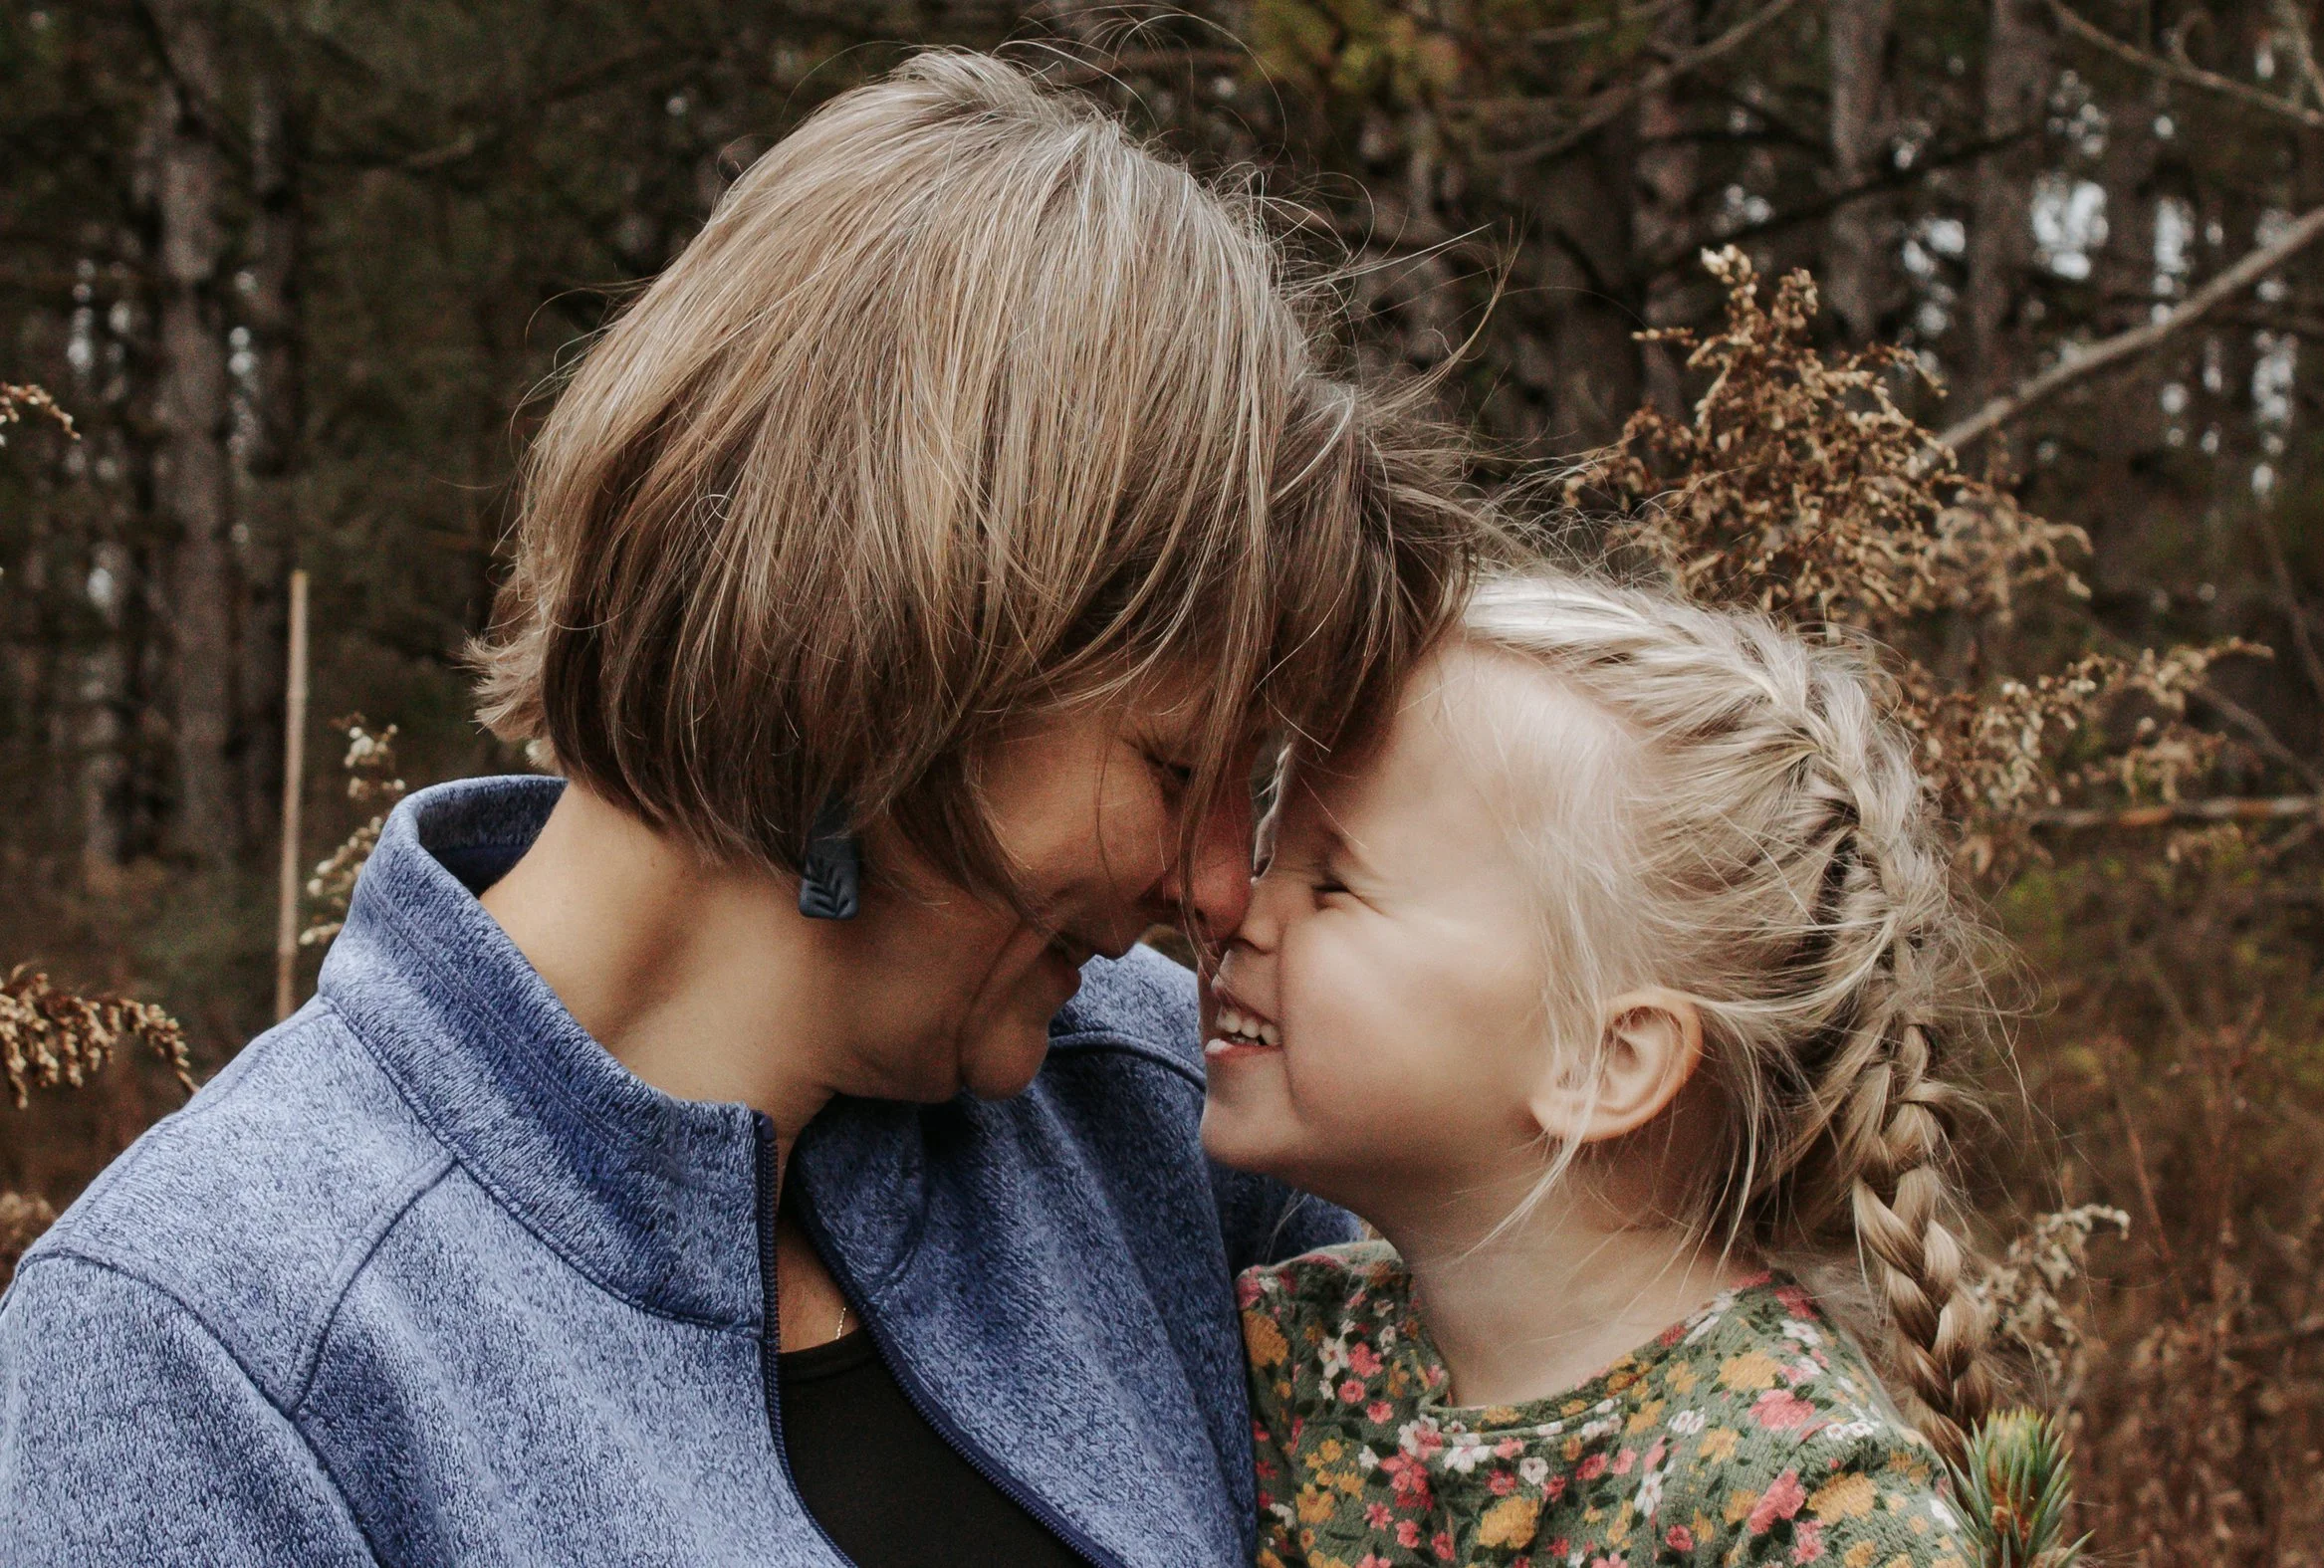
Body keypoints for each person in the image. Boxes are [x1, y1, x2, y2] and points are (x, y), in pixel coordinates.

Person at [0, 54, 1474, 1568]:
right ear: (881, 657)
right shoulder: (213, 1348)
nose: (1221, 885)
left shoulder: (1157, 1119)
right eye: (1176, 768)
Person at [1204, 572, 1992, 1567]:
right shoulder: (1284, 1354)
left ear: (1602, 1061)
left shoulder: (1802, 1510)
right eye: (1268, 850)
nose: (1231, 906)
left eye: (1331, 881)